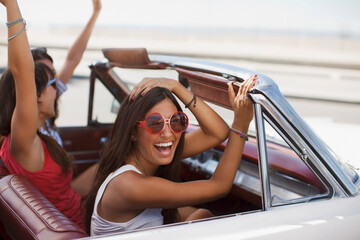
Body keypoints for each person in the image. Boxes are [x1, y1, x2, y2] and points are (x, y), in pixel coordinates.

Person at [85, 75, 256, 236]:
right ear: (133, 133)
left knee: (200, 215)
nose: (168, 134)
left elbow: (218, 133)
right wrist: (241, 124)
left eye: (175, 121)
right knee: (202, 216)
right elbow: (219, 187)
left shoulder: (143, 155)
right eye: (154, 124)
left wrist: (176, 87)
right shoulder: (128, 185)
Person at [0, 0, 84, 230]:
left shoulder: (34, 139)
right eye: (52, 84)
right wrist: (11, 5)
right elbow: (21, 70)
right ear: (36, 95)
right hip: (75, 229)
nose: (58, 90)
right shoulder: (26, 143)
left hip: (78, 217)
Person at [32, 0, 102, 147]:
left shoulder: (48, 106)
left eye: (53, 74)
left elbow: (72, 59)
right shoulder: (25, 130)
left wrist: (95, 13)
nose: (56, 82)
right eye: (47, 77)